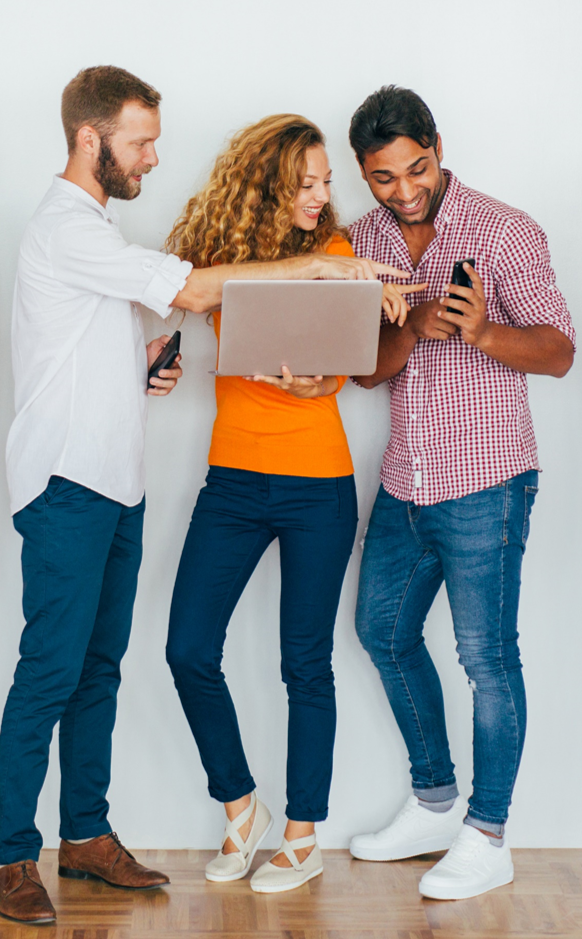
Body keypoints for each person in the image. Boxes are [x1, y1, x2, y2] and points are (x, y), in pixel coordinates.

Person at [0, 67, 404, 925]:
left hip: (117, 486)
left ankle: (86, 835)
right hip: (67, 483)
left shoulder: (96, 231)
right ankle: (9, 858)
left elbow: (98, 341)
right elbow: (189, 288)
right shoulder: (66, 226)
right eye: (139, 141)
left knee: (98, 670)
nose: (151, 156)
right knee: (50, 672)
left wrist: (139, 370)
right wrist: (321, 271)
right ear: (89, 140)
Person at [162, 115, 419, 895]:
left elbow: (337, 368)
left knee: (303, 663)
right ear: (267, 184)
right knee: (186, 648)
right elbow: (172, 305)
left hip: (317, 483)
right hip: (232, 480)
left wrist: (319, 381)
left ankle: (301, 833)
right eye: (303, 183)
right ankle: (241, 805)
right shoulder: (216, 256)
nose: (318, 195)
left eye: (325, 182)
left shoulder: (341, 256)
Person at [344, 86, 574, 901]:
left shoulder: (505, 230)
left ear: (437, 146)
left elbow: (557, 352)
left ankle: (488, 833)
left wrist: (479, 330)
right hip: (405, 478)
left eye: (416, 168)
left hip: (487, 480)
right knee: (381, 631)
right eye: (382, 178)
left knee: (485, 658)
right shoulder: (358, 242)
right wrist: (410, 329)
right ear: (361, 174)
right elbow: (363, 369)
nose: (403, 191)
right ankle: (435, 800)